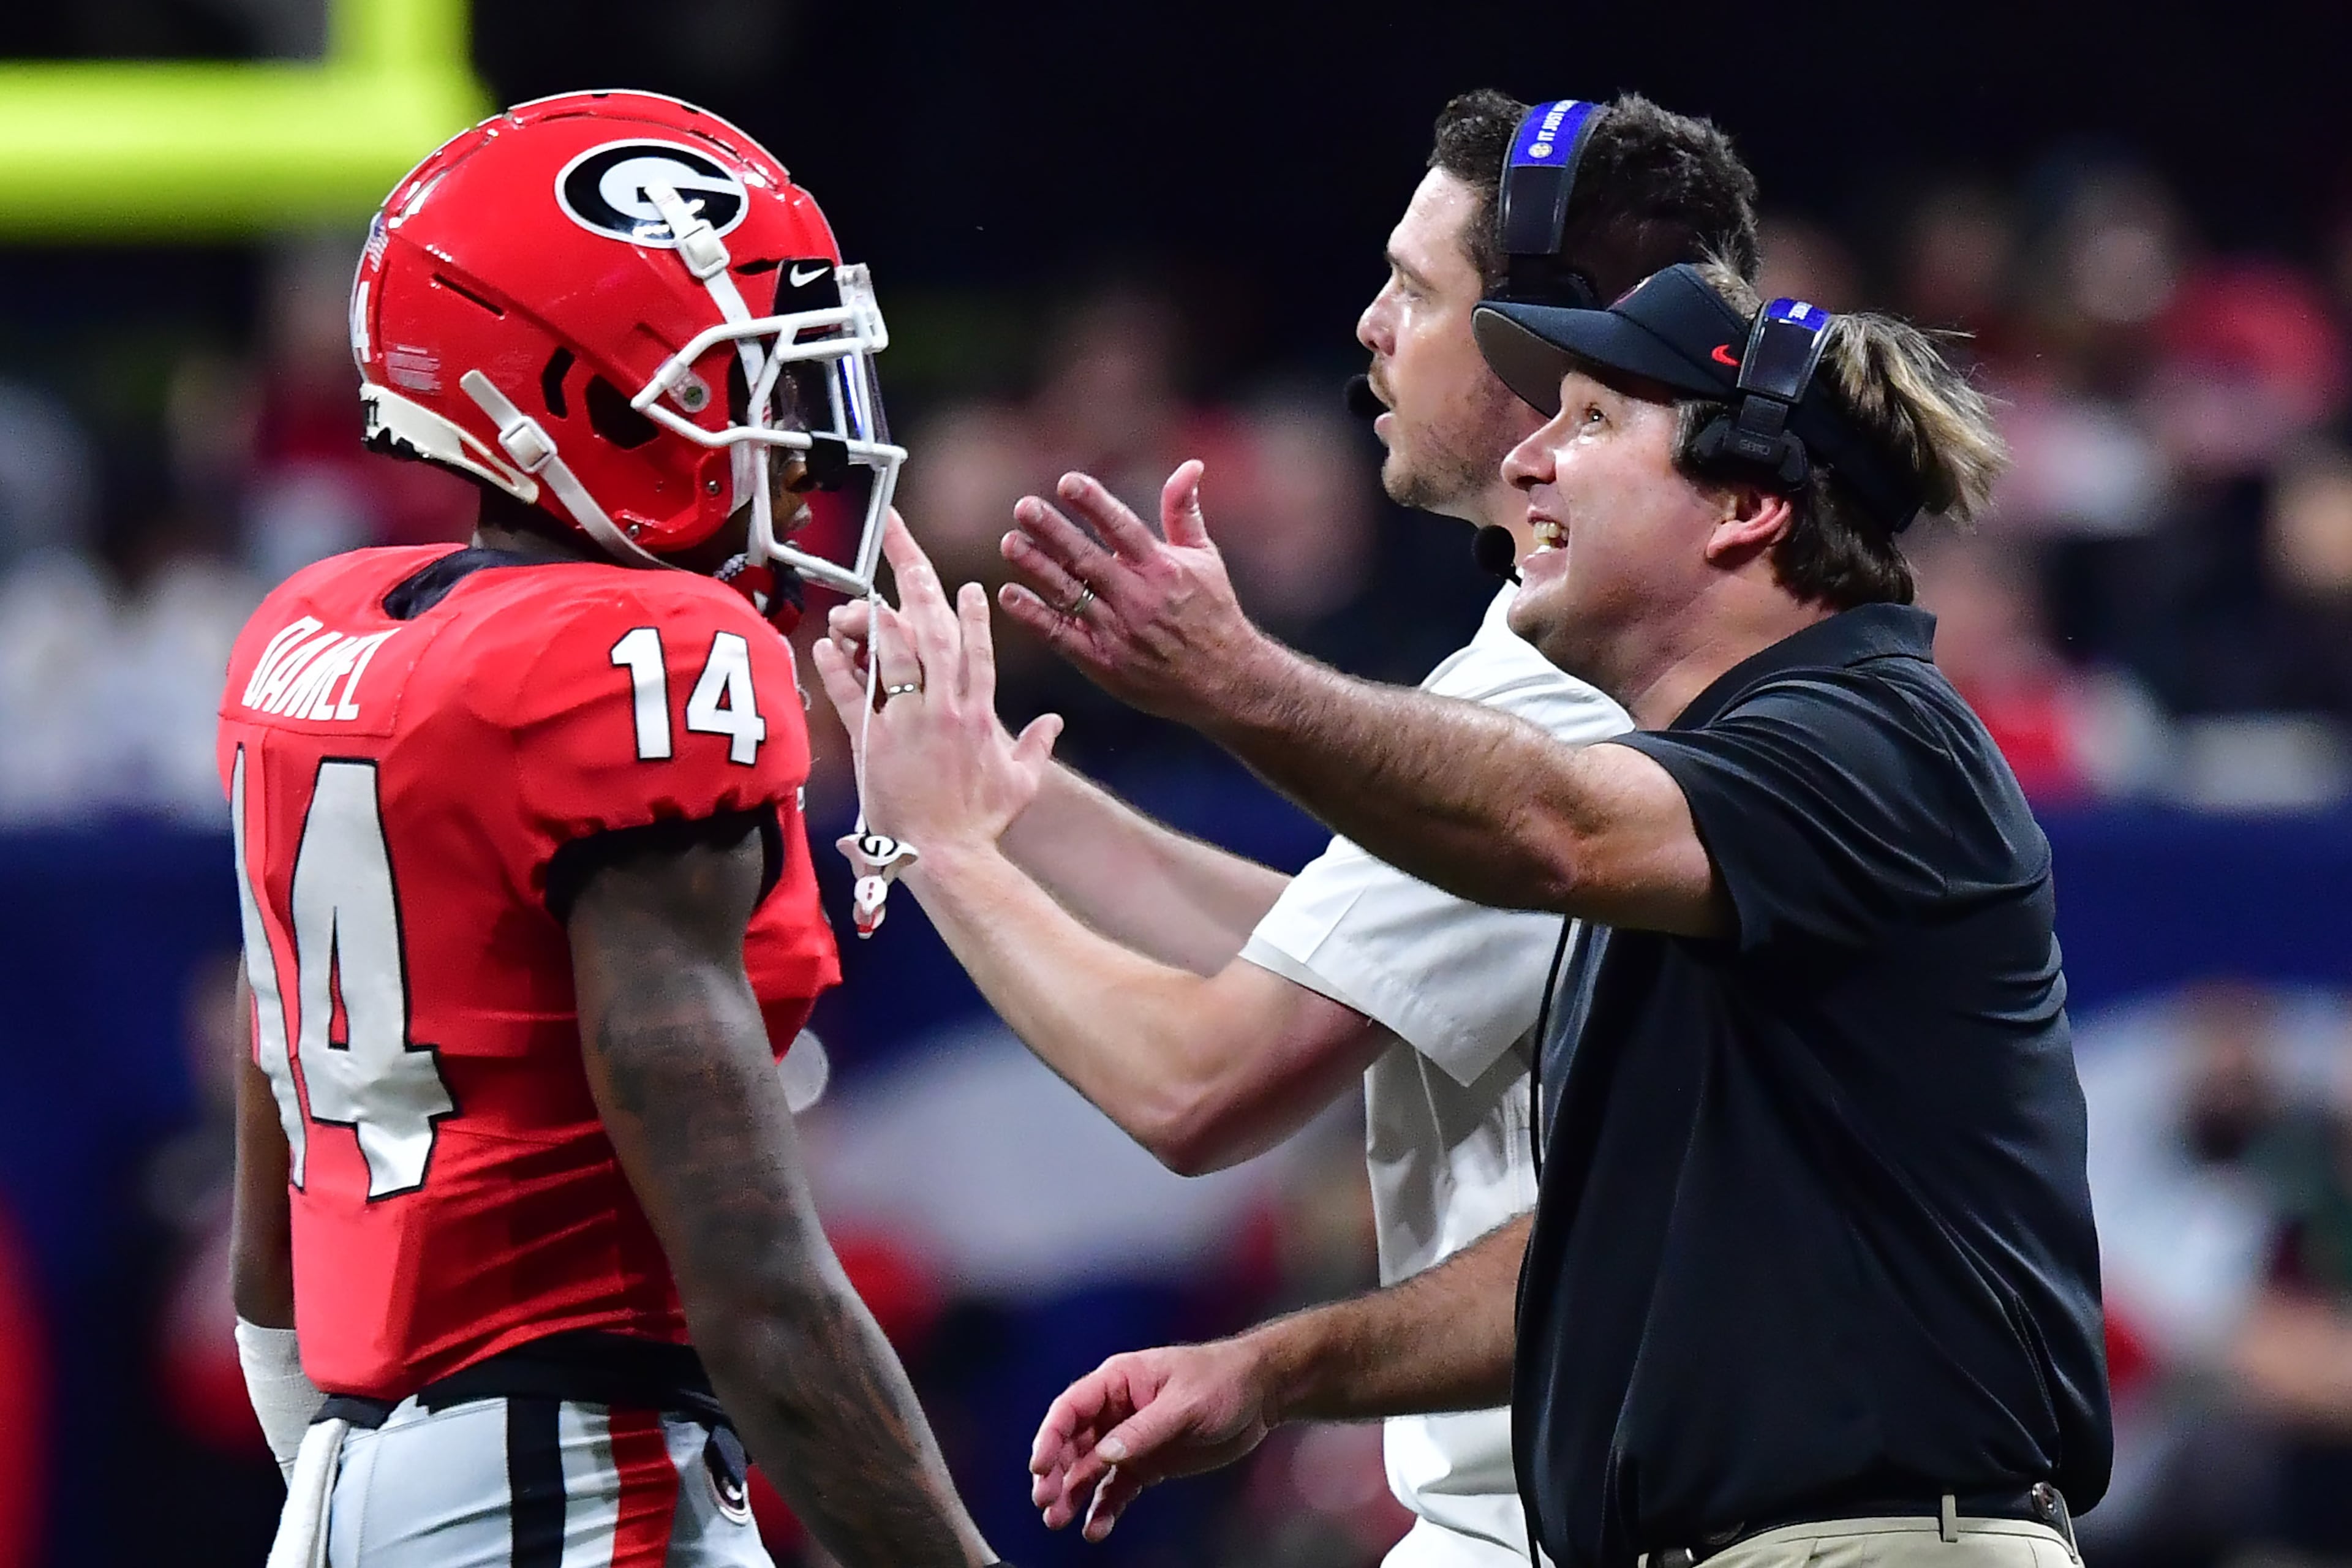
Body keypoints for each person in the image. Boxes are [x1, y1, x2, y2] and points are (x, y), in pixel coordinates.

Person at [978, 258, 2113, 1568]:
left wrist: (1237, 682)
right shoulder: (1714, 829)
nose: (1532, 467)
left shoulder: (1871, 740)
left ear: (1746, 507)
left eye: (1591, 424)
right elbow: (1578, 1259)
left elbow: (1546, 828)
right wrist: (1271, 1369)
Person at [816, 92, 1760, 1566]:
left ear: (1550, 352)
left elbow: (1201, 1084)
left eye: (1417, 291)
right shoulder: (1604, 652)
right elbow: (1343, 942)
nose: (1373, 328)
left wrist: (934, 843)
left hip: (1594, 1519)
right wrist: (1008, 796)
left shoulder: (1566, 691)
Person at [221, 92, 1000, 1568]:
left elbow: (272, 1272)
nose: (795, 440)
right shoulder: (642, 657)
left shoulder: (310, 630)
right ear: (581, 397)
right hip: (569, 1488)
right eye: (737, 382)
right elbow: (758, 1286)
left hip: (362, 1479)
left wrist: (360, 1498)